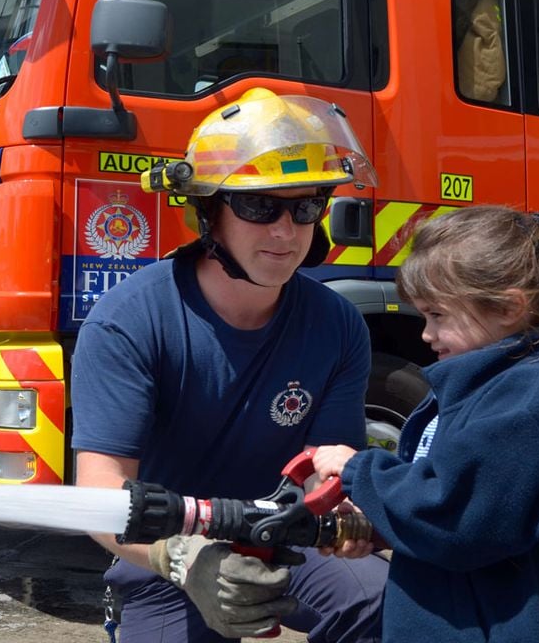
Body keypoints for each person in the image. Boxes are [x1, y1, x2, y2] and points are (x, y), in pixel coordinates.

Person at [71, 88, 387, 643]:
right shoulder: (130, 320)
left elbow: (325, 465)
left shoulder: (339, 326)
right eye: (260, 206)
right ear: (210, 211)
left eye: (305, 208)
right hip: (168, 555)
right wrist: (183, 558)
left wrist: (354, 513)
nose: (285, 231)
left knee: (384, 604)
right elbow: (101, 491)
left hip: (290, 538)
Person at [312, 203, 539, 643]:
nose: (425, 334)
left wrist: (358, 470)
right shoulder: (470, 394)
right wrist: (381, 526)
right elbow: (465, 516)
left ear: (508, 308)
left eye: (437, 315)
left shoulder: (527, 397)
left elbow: (455, 518)